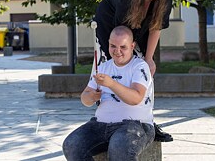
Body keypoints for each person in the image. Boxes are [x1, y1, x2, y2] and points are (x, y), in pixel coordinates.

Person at [93, 0, 173, 142]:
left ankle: (147, 122)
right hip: (111, 26)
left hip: (141, 26)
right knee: (117, 67)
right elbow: (122, 33)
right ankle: (105, 119)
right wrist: (124, 55)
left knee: (145, 71)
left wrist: (149, 59)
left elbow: (156, 27)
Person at [63, 26, 155, 160]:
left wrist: (111, 84)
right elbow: (85, 98)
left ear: (132, 45)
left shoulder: (140, 66)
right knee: (71, 145)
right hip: (100, 124)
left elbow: (136, 98)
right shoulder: (103, 67)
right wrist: (91, 97)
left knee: (119, 147)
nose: (117, 51)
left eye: (123, 47)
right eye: (113, 46)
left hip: (135, 125)